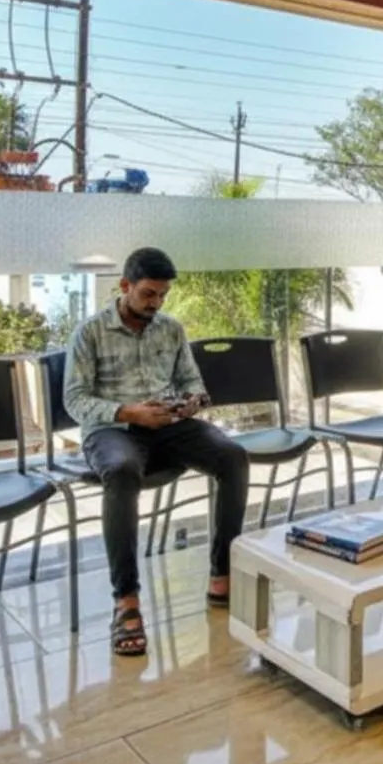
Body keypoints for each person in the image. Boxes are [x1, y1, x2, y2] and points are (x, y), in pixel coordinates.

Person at [63, 246, 249, 657]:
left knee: (232, 457)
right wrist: (130, 412)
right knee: (122, 469)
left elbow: (193, 382)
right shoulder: (89, 333)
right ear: (125, 286)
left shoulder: (170, 329)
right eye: (149, 294)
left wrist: (190, 404)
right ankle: (126, 602)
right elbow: (75, 400)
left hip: (169, 424)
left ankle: (222, 576)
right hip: (113, 428)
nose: (156, 303)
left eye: (162, 295)